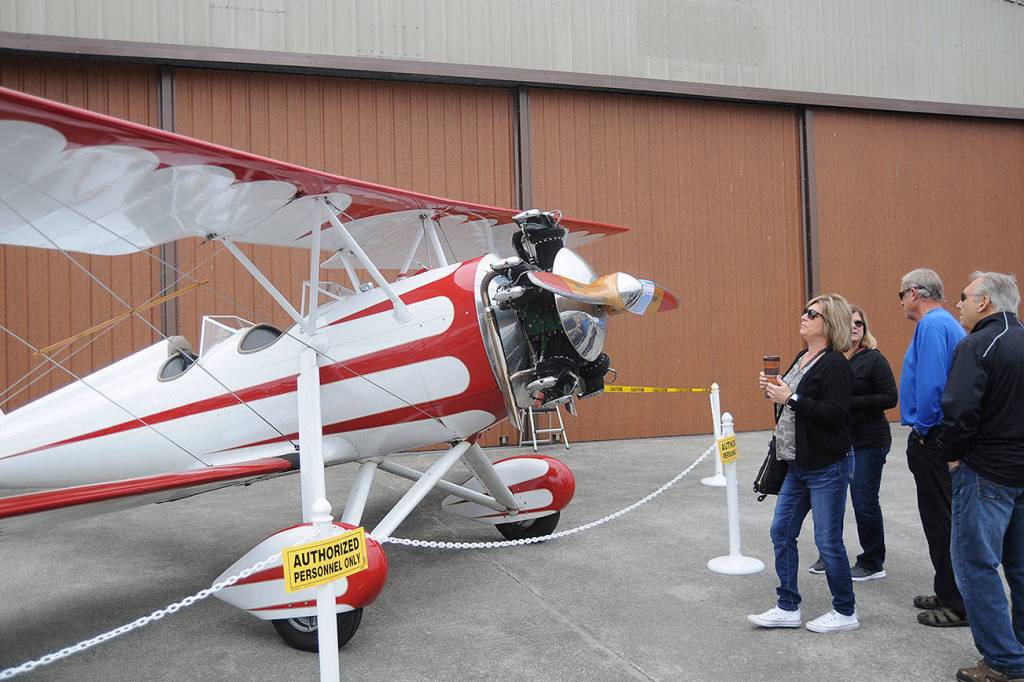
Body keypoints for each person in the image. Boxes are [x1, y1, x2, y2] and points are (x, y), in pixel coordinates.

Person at [748, 294, 857, 633]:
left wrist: (790, 397)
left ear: (830, 323)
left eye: (813, 314)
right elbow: (790, 405)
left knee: (828, 541)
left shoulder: (835, 364)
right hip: (796, 464)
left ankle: (845, 611)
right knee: (781, 532)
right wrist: (774, 391)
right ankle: (787, 606)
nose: (804, 317)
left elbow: (835, 414)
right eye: (805, 311)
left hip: (826, 466)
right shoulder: (802, 357)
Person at [937, 272, 1024, 682]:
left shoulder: (977, 344)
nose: (959, 304)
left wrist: (952, 454)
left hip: (986, 472)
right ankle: (1015, 648)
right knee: (1019, 567)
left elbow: (959, 409)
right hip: (1014, 470)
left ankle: (1003, 661)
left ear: (984, 302)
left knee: (976, 566)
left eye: (964, 297)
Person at [898, 267, 968, 627]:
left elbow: (932, 385)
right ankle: (947, 588)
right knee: (942, 516)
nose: (901, 303)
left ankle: (957, 602)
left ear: (914, 293)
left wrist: (923, 430)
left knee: (941, 519)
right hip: (940, 433)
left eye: (901, 295)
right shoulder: (944, 324)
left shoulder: (932, 325)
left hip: (933, 434)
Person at [808, 305, 898, 580]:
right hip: (837, 442)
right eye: (850, 323)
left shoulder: (873, 359)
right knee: (831, 502)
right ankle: (829, 555)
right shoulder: (829, 358)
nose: (855, 327)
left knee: (864, 501)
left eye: (860, 323)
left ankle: (872, 562)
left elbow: (889, 397)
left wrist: (848, 402)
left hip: (868, 442)